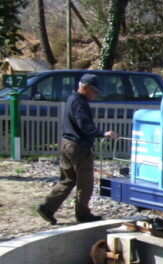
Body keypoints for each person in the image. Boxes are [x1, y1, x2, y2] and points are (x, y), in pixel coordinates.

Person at [36, 74, 118, 225]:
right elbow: (84, 125)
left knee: (67, 179)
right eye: (95, 91)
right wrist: (103, 133)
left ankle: (47, 208)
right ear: (85, 88)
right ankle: (82, 213)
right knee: (85, 182)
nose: (97, 94)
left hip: (67, 143)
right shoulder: (80, 103)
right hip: (79, 147)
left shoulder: (71, 99)